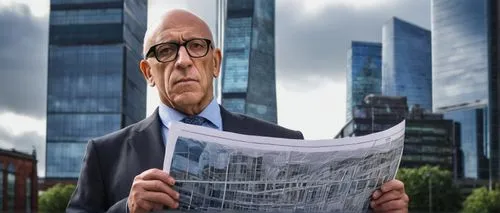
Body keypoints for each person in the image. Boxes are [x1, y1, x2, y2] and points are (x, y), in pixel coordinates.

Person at [66, 9, 409, 213]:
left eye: (196, 47)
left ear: (215, 63)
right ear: (147, 72)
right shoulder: (105, 153)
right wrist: (127, 210)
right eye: (166, 50)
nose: (184, 61)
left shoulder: (285, 142)